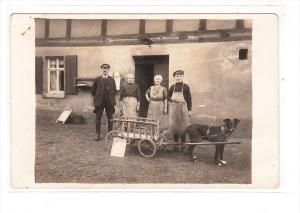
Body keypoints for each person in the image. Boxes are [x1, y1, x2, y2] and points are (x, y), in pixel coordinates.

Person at [91, 63, 117, 141]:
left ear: (109, 70)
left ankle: (110, 133)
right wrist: (98, 97)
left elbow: (114, 91)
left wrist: (110, 98)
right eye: (103, 68)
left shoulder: (112, 80)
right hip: (100, 102)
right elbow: (93, 91)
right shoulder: (97, 79)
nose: (105, 70)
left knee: (110, 118)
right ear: (101, 70)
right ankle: (97, 134)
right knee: (98, 118)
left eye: (106, 69)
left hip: (109, 102)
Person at [167, 70, 192, 144]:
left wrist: (189, 110)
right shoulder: (172, 87)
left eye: (180, 76)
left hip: (183, 108)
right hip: (174, 109)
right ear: (175, 77)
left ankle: (183, 144)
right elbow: (168, 96)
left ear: (183, 77)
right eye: (177, 76)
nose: (178, 77)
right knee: (175, 126)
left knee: (183, 126)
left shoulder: (186, 86)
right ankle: (176, 144)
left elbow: (189, 99)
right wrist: (172, 100)